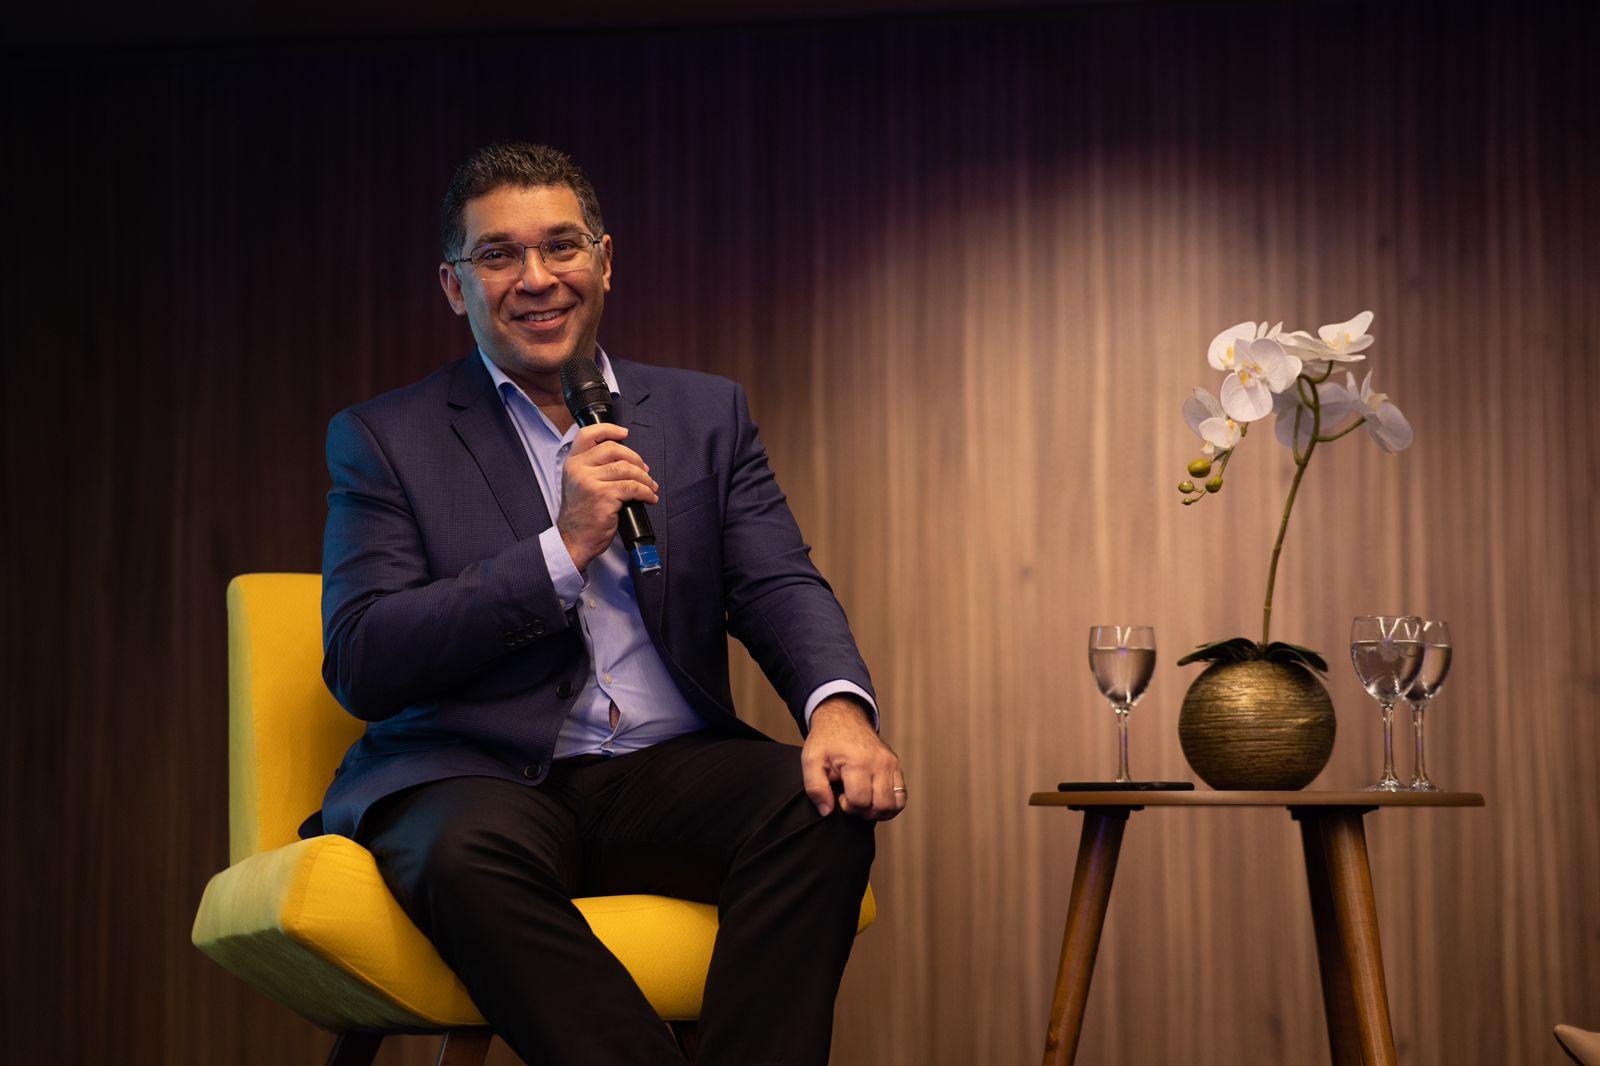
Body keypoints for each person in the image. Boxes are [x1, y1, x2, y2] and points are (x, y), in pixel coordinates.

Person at [308, 142, 906, 1065]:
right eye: (498, 255)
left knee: (817, 809)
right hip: (475, 776)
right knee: (462, 856)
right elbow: (363, 656)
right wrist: (561, 549)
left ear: (605, 260)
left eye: (562, 246)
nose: (536, 279)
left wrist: (839, 711)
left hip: (663, 773)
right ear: (455, 286)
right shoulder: (386, 437)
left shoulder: (705, 415)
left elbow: (778, 582)